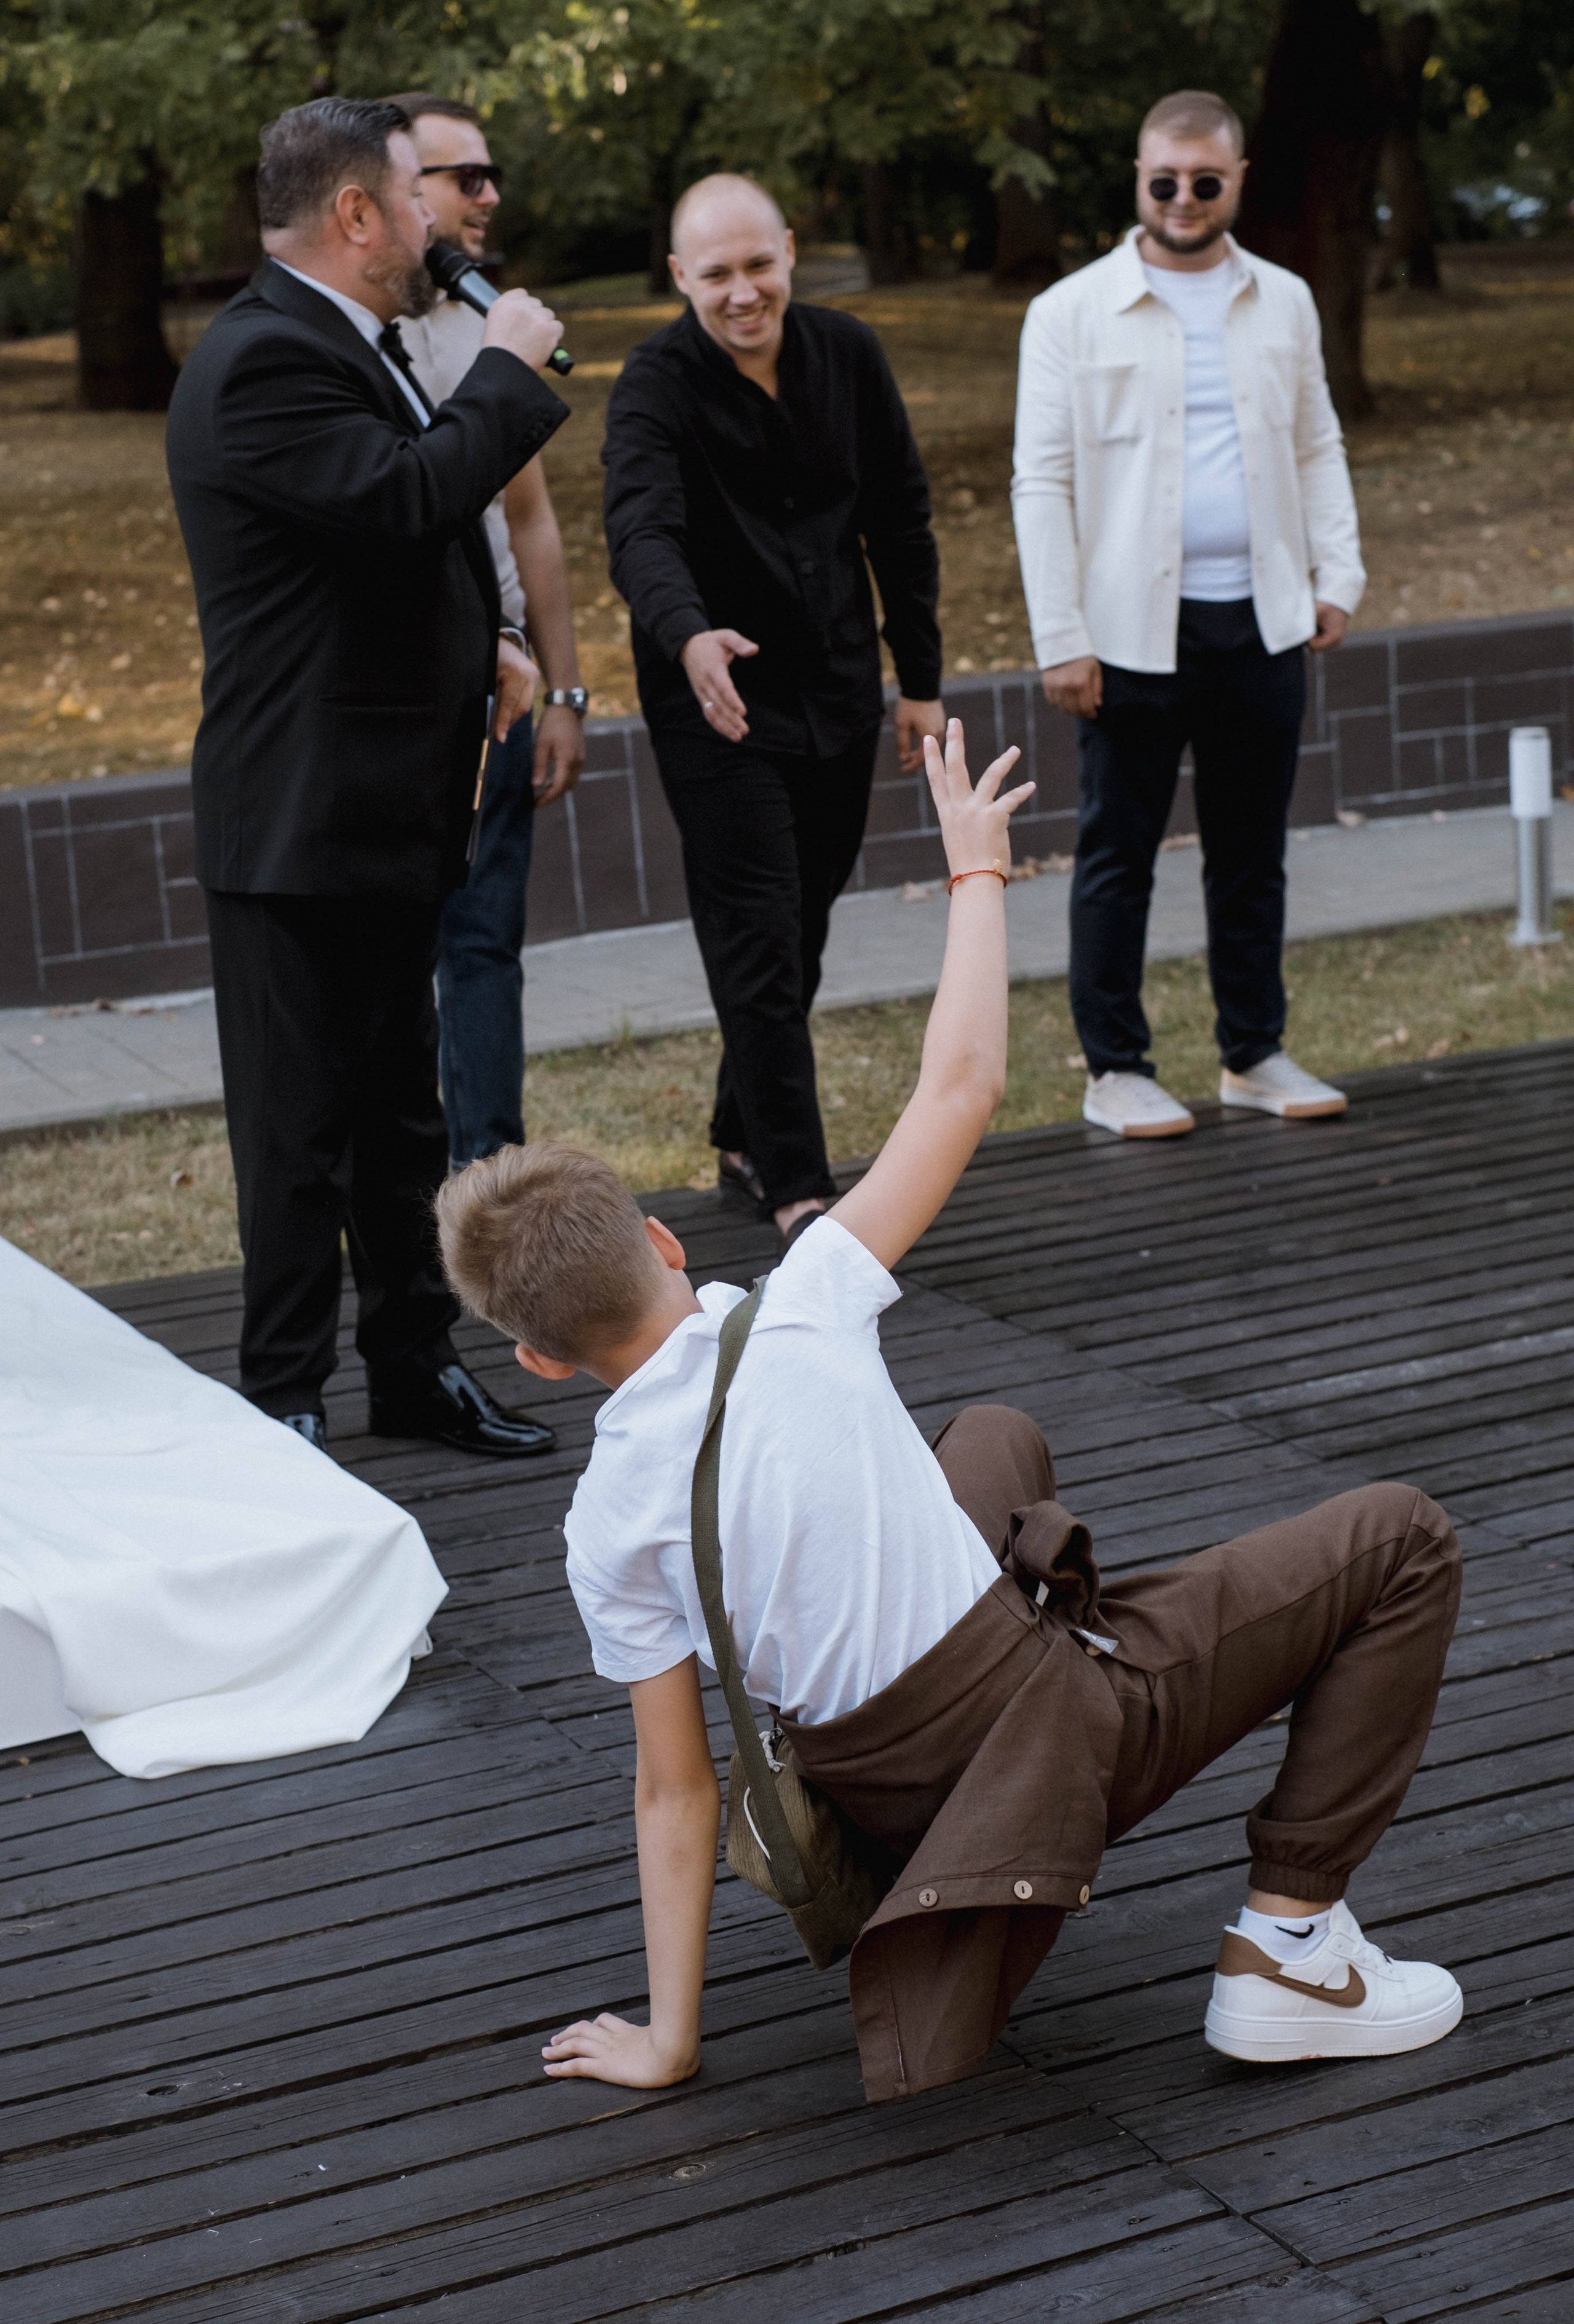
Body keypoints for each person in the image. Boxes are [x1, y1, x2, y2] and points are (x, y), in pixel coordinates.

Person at [435, 719, 1463, 2105]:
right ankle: (1289, 1949)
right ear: (667, 1244)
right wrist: (974, 872)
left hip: (873, 1783)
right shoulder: (801, 1302)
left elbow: (672, 1789)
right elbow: (961, 1084)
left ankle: (1030, 1692)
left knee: (992, 1434)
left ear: (543, 1365)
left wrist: (667, 2039)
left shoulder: (603, 1517)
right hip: (1043, 1728)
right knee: (1399, 1538)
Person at [166, 97, 569, 1458]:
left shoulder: (354, 341)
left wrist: (494, 647)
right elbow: (407, 497)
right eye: (414, 196)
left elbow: (390, 546)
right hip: (297, 820)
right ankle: (282, 1404)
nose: (436, 221)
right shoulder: (263, 360)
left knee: (403, 1118)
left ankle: (413, 1370)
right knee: (296, 1142)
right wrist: (504, 366)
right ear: (354, 215)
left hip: (387, 802)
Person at [1012, 90, 1366, 1140]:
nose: (1181, 199)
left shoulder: (1288, 302)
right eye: (1161, 180)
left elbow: (1317, 446)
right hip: (1125, 636)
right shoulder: (1070, 311)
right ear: (1138, 178)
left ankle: (1252, 1051)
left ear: (1237, 181)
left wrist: (1335, 575)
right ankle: (1114, 1066)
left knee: (1252, 851)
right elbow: (1042, 482)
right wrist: (1061, 635)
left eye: (1203, 181)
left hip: (1261, 621)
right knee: (1118, 853)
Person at [603, 174, 946, 1244]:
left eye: (760, 265)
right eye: (716, 275)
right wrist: (688, 631)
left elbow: (900, 521)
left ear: (790, 252)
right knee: (756, 932)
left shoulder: (850, 354)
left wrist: (920, 681)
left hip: (839, 686)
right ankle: (798, 1185)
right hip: (719, 703)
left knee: (802, 926)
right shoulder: (654, 386)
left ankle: (740, 1124)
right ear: (679, 278)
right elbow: (640, 532)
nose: (743, 292)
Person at [389, 92, 588, 1171]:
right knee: (393, 959)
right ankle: (406, 1191)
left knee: (486, 945)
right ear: (390, 191)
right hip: (399, 692)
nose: (490, 195)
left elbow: (533, 517)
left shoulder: (488, 324)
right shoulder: (354, 337)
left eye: (490, 172)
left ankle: (493, 1179)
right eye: (466, 175)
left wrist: (567, 691)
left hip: (505, 692)